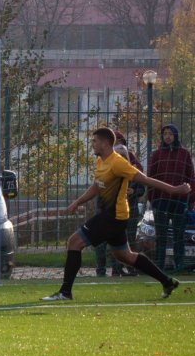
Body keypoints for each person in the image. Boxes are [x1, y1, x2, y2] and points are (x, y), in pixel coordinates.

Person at [42, 127, 190, 302]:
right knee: (124, 255)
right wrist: (77, 202)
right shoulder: (100, 161)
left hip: (114, 216)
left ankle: (65, 292)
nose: (92, 144)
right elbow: (96, 187)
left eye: (95, 141)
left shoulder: (118, 163)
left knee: (74, 242)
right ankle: (167, 282)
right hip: (114, 216)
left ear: (105, 143)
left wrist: (174, 190)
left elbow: (145, 179)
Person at [146, 124, 195, 273]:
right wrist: (152, 199)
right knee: (161, 235)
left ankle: (179, 265)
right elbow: (150, 177)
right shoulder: (156, 154)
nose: (167, 136)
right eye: (165, 133)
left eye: (170, 134)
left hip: (179, 200)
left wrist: (190, 199)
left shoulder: (184, 154)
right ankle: (159, 266)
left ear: (175, 136)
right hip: (161, 200)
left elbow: (191, 177)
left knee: (178, 235)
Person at [95, 140, 143, 277]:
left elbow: (142, 188)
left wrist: (134, 191)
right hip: (109, 212)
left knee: (127, 241)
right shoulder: (106, 169)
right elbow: (98, 189)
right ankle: (103, 270)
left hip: (128, 211)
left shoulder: (132, 170)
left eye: (123, 155)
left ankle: (128, 268)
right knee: (103, 241)